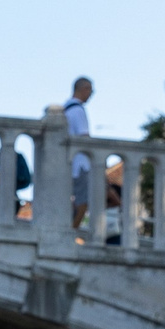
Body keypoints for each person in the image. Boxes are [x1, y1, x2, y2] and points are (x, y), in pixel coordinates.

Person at [63, 76, 95, 229]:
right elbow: (85, 138)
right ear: (84, 89)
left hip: (68, 164)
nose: (92, 93)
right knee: (84, 202)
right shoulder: (78, 111)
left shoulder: (65, 109)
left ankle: (69, 228)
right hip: (80, 165)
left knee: (72, 202)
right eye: (90, 89)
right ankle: (71, 232)